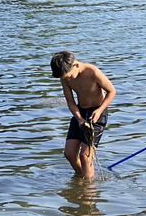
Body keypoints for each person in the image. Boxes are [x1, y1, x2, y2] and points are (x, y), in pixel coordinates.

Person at [50, 51, 116, 179]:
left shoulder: (92, 72)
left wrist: (100, 110)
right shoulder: (65, 77)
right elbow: (70, 101)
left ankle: (87, 191)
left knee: (85, 156)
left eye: (69, 76)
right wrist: (79, 119)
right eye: (64, 78)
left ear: (75, 65)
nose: (67, 79)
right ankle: (84, 178)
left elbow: (111, 91)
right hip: (80, 113)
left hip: (97, 113)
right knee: (69, 153)